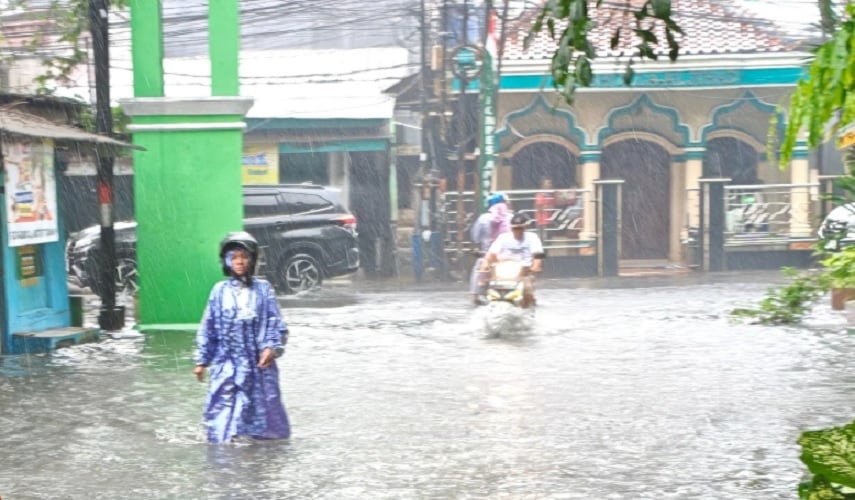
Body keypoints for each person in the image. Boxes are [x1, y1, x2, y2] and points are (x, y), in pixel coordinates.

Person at [193, 231, 291, 444]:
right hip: (227, 364)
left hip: (259, 366)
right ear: (226, 261)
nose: (239, 262)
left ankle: (261, 457)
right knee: (222, 414)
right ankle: (224, 455)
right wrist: (202, 361)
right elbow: (208, 327)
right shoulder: (219, 291)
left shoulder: (264, 290)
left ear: (252, 260)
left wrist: (271, 348)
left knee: (265, 419)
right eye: (234, 257)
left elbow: (275, 323)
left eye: (244, 257)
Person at [481, 213, 545, 308]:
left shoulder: (532, 237)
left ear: (525, 227)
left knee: (527, 289)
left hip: (524, 272)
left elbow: (537, 255)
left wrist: (536, 266)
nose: (517, 231)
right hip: (504, 270)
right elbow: (491, 253)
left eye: (520, 228)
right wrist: (485, 263)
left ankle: (528, 308)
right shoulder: (503, 237)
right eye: (515, 228)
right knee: (485, 284)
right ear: (511, 228)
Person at [470, 192, 512, 305]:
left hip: (488, 256)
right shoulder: (511, 217)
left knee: (479, 268)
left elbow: (475, 237)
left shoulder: (483, 218)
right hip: (509, 257)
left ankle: (475, 296)